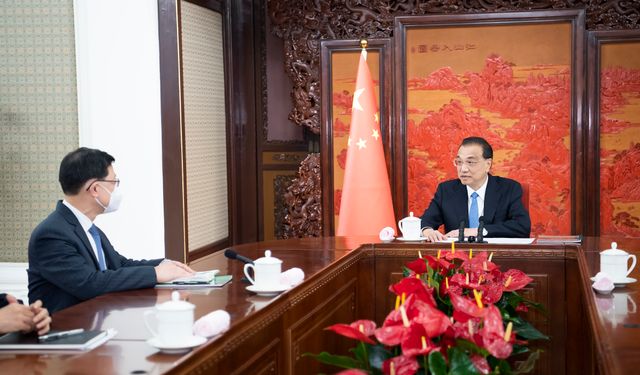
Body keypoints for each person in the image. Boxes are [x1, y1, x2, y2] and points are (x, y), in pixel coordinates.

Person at [28, 147, 195, 313]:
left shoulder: (88, 228)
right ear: (95, 189)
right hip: (64, 331)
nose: (116, 188)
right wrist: (155, 273)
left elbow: (119, 265)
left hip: (93, 325)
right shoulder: (51, 234)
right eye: (114, 182)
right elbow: (89, 283)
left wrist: (165, 265)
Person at [420, 136, 531, 241]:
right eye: (459, 162)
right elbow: (425, 221)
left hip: (496, 258)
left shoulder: (509, 189)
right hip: (457, 258)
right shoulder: (446, 190)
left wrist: (476, 231)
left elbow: (522, 227)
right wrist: (427, 231)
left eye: (470, 162)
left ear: (488, 164)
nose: (463, 169)